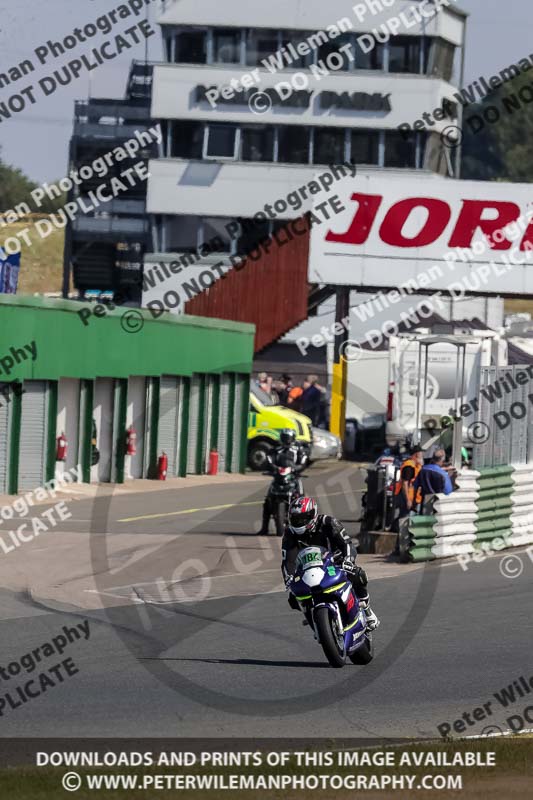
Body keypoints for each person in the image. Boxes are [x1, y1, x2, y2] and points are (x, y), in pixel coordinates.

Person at [281, 496, 380, 630]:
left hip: (335, 562)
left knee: (357, 574)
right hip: (309, 569)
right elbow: (288, 560)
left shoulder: (329, 523)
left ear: (313, 515)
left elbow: (347, 545)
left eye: (303, 518)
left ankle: (367, 610)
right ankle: (315, 622)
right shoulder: (289, 533)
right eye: (295, 519)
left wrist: (348, 560)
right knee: (293, 597)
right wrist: (289, 578)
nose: (299, 522)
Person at [258, 429, 308, 536]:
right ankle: (264, 528)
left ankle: (305, 526)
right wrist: (274, 468)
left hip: (293, 477)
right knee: (268, 500)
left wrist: (296, 469)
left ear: (293, 438)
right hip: (278, 477)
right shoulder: (275, 449)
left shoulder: (298, 449)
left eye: (288, 438)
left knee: (302, 498)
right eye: (285, 438)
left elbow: (303, 461)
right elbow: (269, 460)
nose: (287, 440)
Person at [394, 446, 424, 518]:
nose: (422, 456)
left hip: (414, 498)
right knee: (405, 519)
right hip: (407, 498)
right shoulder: (409, 466)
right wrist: (408, 500)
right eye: (421, 454)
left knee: (410, 519)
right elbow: (405, 483)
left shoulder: (416, 465)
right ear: (416, 454)